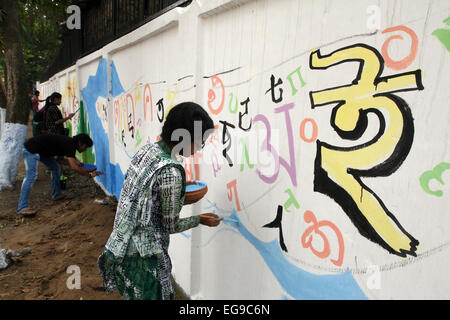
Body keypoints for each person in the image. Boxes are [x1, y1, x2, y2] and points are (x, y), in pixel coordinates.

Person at [98, 102, 220, 300]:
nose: (199, 147)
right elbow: (170, 225)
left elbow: (144, 196)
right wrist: (200, 219)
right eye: (199, 141)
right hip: (142, 260)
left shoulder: (147, 152)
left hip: (119, 248)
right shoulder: (171, 170)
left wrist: (177, 195)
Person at [17, 133, 104, 216]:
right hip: (31, 150)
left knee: (56, 167)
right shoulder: (70, 145)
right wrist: (89, 174)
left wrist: (79, 165)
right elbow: (74, 167)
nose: (85, 150)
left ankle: (57, 194)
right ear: (80, 143)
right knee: (31, 176)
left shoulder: (69, 143)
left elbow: (61, 160)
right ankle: (22, 207)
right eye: (85, 147)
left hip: (41, 151)